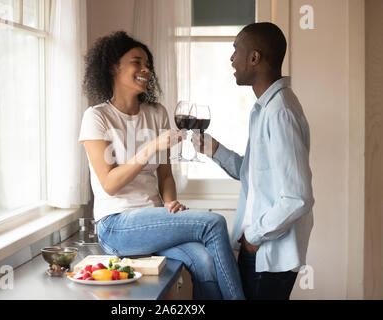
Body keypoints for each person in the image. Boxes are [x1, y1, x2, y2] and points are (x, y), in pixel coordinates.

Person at [78, 31, 244, 300]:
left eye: (148, 65)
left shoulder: (157, 113)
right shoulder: (97, 117)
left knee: (204, 260)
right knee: (213, 222)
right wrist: (150, 148)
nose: (146, 70)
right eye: (137, 62)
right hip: (117, 226)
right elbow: (109, 184)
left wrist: (170, 204)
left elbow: (165, 175)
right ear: (112, 66)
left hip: (154, 220)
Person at [192, 22, 314, 300]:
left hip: (269, 255)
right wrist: (215, 150)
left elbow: (297, 196)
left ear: (255, 58)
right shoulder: (266, 109)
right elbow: (255, 175)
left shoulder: (279, 112)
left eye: (236, 51)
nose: (231, 59)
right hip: (261, 251)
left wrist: (253, 237)